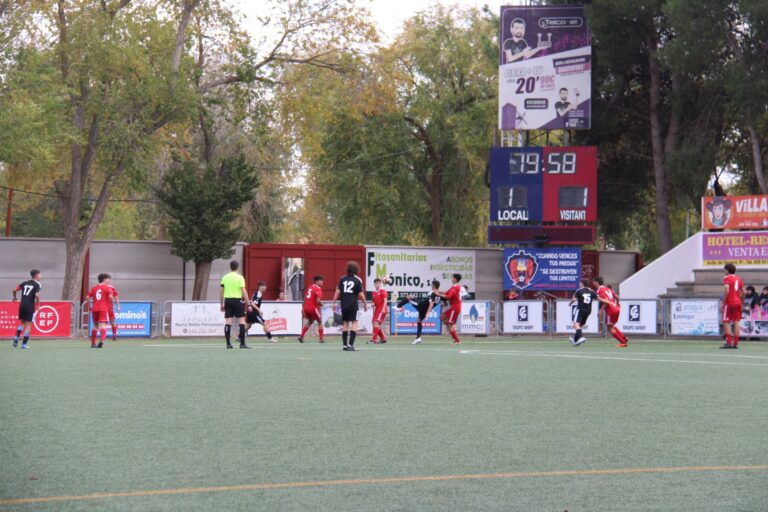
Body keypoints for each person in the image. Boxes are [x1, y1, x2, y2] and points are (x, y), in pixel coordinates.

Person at [332, 262, 367, 351]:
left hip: (344, 304)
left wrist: (334, 303)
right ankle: (351, 345)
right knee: (354, 322)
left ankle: (344, 345)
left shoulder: (342, 279)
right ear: (356, 270)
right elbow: (361, 294)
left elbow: (337, 291)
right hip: (353, 304)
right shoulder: (358, 280)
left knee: (345, 323)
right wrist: (365, 303)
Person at [398, 279, 442, 345]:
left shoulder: (433, 293)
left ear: (433, 285)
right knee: (419, 321)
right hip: (424, 308)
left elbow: (431, 304)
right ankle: (418, 338)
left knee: (408, 297)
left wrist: (427, 314)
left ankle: (397, 307)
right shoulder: (440, 294)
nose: (431, 285)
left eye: (431, 284)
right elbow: (441, 301)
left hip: (421, 306)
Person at [220, 260, 251, 349]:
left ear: (230, 267)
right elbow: (244, 292)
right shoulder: (240, 278)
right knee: (241, 322)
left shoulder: (225, 277)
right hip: (237, 301)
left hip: (228, 301)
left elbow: (221, 292)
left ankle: (228, 344)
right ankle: (242, 344)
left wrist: (221, 304)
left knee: (228, 323)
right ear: (238, 267)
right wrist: (248, 304)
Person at [594, 277, 629, 348]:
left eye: (593, 282)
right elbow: (617, 297)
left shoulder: (599, 290)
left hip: (611, 310)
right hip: (616, 308)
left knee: (609, 327)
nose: (593, 283)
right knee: (611, 326)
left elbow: (606, 301)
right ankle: (624, 338)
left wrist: (600, 311)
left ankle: (622, 342)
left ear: (596, 282)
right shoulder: (608, 289)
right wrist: (618, 304)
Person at [11, 269, 42, 349]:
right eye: (40, 274)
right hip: (29, 306)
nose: (41, 276)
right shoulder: (37, 284)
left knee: (22, 323)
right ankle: (24, 344)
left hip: (22, 305)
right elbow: (37, 295)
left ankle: (16, 337)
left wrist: (14, 298)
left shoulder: (24, 283)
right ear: (36, 275)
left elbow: (14, 290)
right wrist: (38, 305)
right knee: (28, 325)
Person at [88, 273, 115, 348]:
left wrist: (90, 305)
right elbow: (110, 296)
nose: (109, 280)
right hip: (103, 309)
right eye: (108, 279)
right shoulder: (107, 287)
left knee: (95, 326)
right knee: (103, 325)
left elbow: (87, 297)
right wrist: (112, 302)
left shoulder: (94, 288)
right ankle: (101, 341)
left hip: (94, 308)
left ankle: (93, 343)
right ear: (104, 279)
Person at [721, 262, 745, 349]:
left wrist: (723, 302)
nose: (724, 271)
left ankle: (729, 343)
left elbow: (727, 290)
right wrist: (741, 301)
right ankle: (736, 343)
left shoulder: (726, 278)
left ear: (727, 270)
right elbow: (744, 292)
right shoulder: (739, 279)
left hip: (729, 302)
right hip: (738, 302)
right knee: (736, 322)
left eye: (724, 270)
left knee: (726, 321)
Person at [569, 278, 597, 347]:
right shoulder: (591, 291)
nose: (579, 284)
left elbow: (574, 299)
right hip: (588, 310)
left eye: (580, 283)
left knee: (576, 325)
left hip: (580, 309)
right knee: (580, 326)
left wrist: (570, 303)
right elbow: (596, 297)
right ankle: (575, 340)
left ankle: (581, 337)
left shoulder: (578, 291)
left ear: (582, 283)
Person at [298, 276, 325, 343]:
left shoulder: (310, 287)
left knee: (310, 321)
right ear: (317, 281)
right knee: (320, 322)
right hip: (313, 308)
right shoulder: (318, 288)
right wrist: (322, 304)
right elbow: (318, 300)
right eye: (321, 281)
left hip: (306, 308)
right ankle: (321, 338)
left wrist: (303, 308)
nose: (322, 282)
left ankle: (301, 336)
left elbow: (305, 298)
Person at [441, 274, 463, 345]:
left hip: (455, 307)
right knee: (443, 317)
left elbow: (448, 296)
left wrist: (439, 295)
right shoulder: (454, 287)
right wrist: (439, 292)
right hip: (454, 307)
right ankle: (454, 335)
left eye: (453, 277)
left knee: (449, 323)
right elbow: (446, 293)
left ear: (455, 279)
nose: (452, 278)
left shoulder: (456, 287)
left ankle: (457, 340)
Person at [368, 277, 389, 344]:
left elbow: (385, 300)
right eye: (376, 283)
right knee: (376, 325)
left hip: (381, 309)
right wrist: (372, 304)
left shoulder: (382, 291)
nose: (378, 284)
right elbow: (374, 301)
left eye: (379, 283)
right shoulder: (373, 293)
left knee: (376, 323)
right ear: (374, 284)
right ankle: (383, 338)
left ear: (380, 284)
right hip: (377, 310)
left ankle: (374, 340)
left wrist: (383, 308)